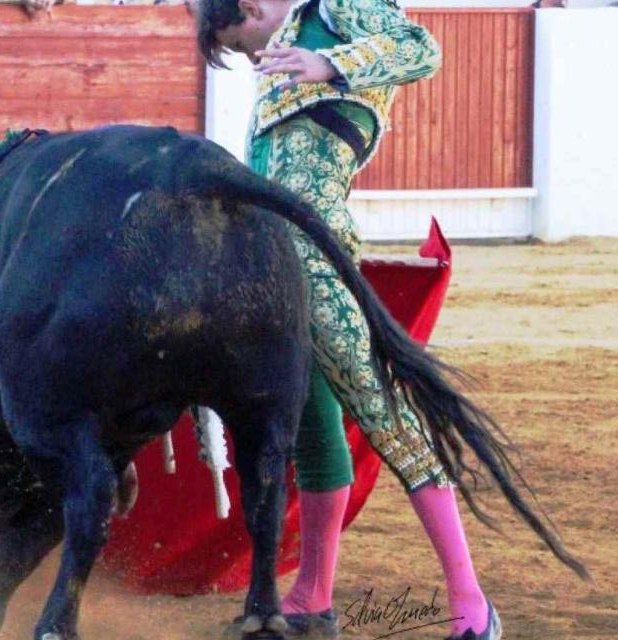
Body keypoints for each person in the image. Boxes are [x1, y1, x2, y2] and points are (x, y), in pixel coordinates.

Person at [194, 1, 502, 638]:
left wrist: (329, 62)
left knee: (382, 412)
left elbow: (422, 49)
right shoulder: (283, 64)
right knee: (312, 417)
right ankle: (312, 597)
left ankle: (473, 605)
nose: (255, 59)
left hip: (317, 255)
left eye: (243, 42)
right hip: (270, 264)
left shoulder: (338, 9)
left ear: (250, 5)